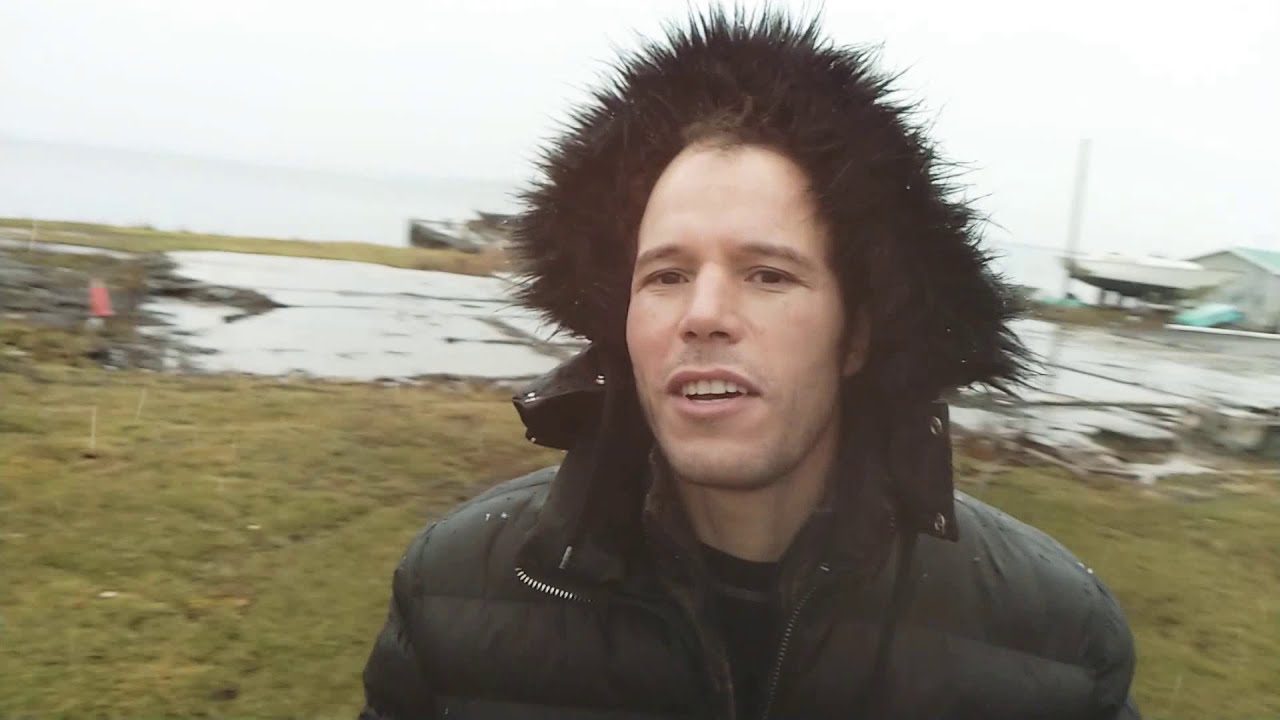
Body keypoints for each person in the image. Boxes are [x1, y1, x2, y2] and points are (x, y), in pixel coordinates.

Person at [358, 7, 1141, 719]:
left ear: (859, 335)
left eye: (768, 274)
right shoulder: (453, 597)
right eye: (665, 275)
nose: (702, 315)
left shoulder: (1055, 647)